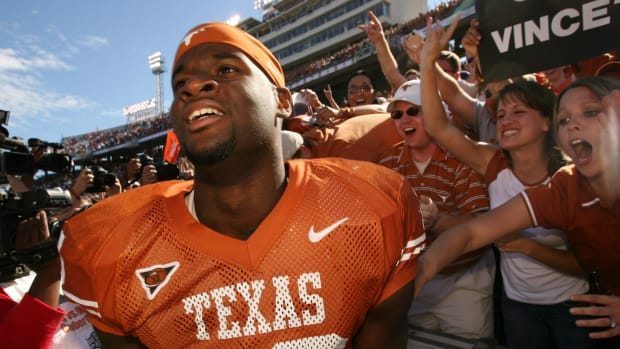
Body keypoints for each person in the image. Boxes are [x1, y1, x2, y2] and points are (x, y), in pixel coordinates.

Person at [59, 22, 425, 348]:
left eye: (226, 69)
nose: (193, 87)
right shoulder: (111, 248)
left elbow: (384, 334)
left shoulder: (373, 206)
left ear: (282, 102)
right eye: (180, 84)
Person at [418, 17, 595, 349]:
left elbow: (588, 266)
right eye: (500, 115)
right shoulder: (492, 162)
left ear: (547, 121)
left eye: (519, 113)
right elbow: (438, 126)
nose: (506, 120)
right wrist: (427, 63)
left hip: (575, 308)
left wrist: (526, 246)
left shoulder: (571, 179)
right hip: (517, 309)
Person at [378, 79, 495, 344]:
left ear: (437, 113)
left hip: (464, 280)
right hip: (414, 281)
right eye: (397, 114)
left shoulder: (462, 157)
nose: (404, 119)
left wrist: (438, 221)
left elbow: (484, 225)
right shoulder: (387, 163)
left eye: (414, 111)